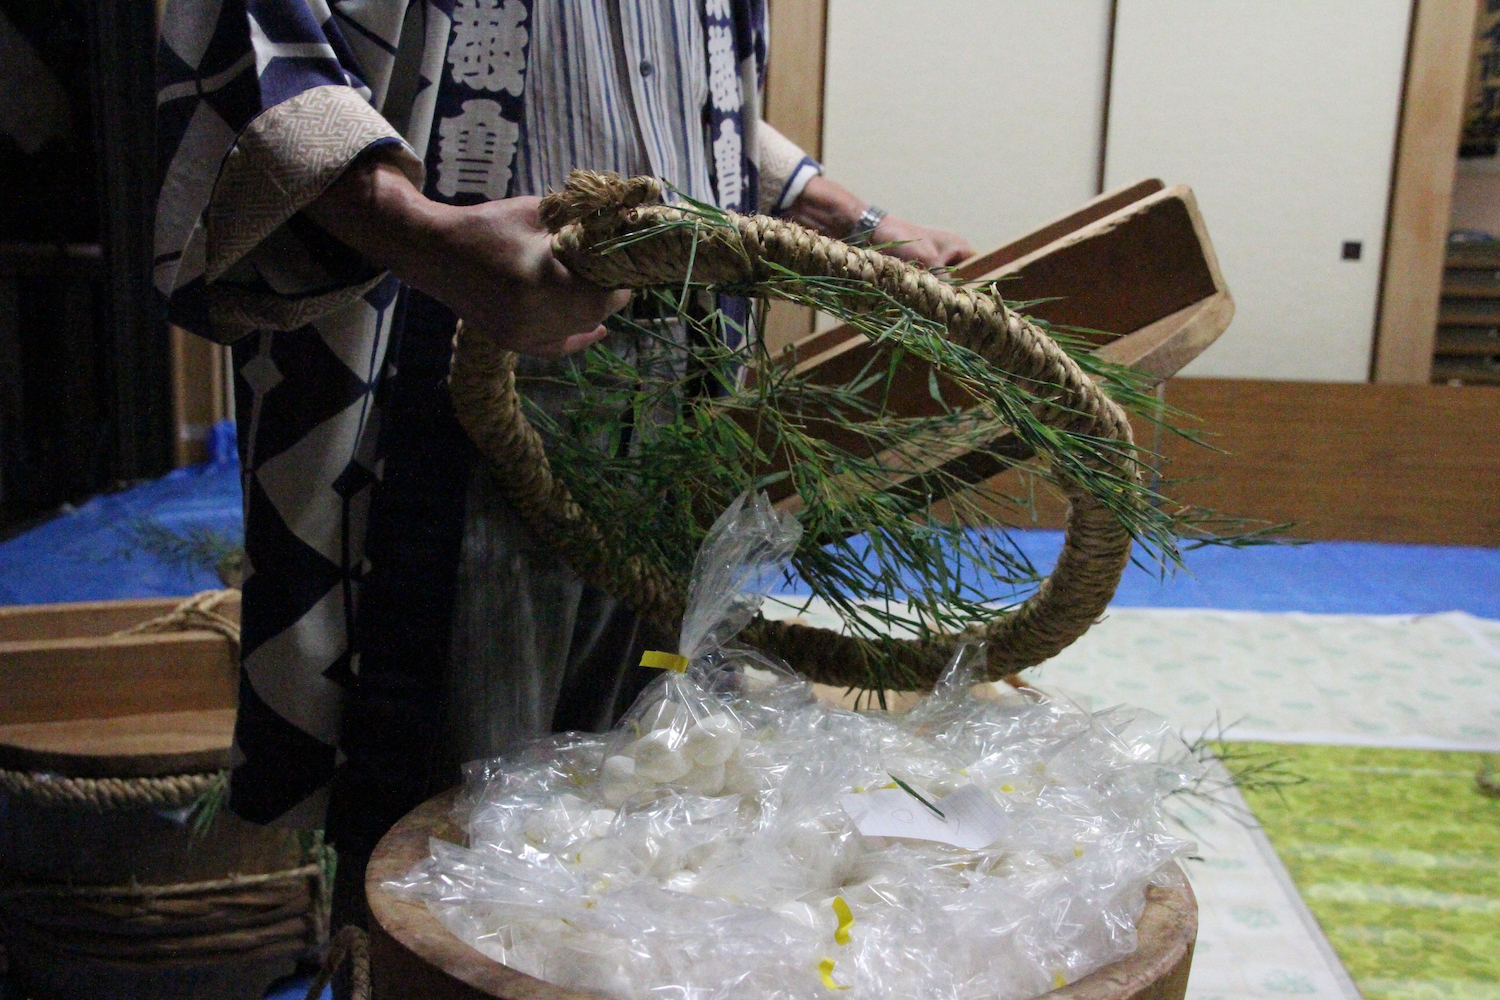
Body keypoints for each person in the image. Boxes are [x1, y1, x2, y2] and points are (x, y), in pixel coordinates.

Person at [155, 0, 972, 935]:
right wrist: (420, 231)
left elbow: (694, 76)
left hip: (690, 360)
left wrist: (853, 219)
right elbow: (253, 34)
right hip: (460, 336)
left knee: (663, 768)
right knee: (463, 803)